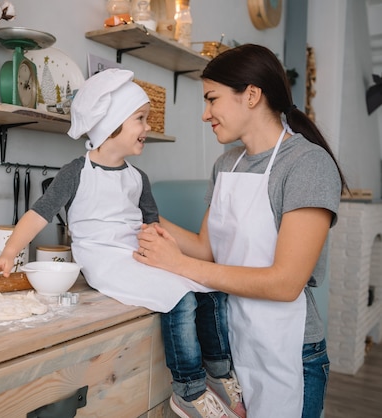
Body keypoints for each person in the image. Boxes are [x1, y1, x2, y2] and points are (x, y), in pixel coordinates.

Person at [0, 68, 245, 418]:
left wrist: (168, 255)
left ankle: (220, 373)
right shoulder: (76, 172)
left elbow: (151, 225)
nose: (148, 127)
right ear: (112, 123)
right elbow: (38, 214)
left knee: (209, 290)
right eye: (140, 119)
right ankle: (189, 390)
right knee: (179, 298)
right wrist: (8, 254)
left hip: (137, 255)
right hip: (104, 261)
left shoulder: (139, 178)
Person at [134, 44, 347, 418]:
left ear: (251, 94)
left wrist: (177, 264)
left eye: (212, 99)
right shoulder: (227, 164)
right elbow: (207, 249)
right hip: (230, 348)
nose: (205, 114)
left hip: (288, 351)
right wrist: (139, 211)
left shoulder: (307, 165)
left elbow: (285, 283)